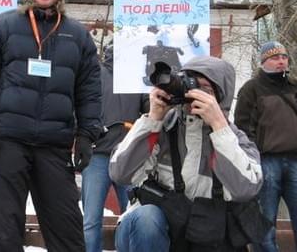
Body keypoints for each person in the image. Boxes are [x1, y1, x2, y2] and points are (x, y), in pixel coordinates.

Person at [0, 0, 102, 252]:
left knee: (68, 234)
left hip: (54, 146)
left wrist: (87, 134)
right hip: (6, 144)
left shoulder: (78, 36)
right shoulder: (2, 26)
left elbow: (90, 91)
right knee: (4, 235)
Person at [110, 55, 264, 251]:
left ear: (220, 96)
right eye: (189, 84)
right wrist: (153, 118)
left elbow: (246, 188)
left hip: (206, 236)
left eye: (204, 89)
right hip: (154, 232)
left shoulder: (234, 138)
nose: (193, 93)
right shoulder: (160, 128)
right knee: (146, 218)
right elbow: (119, 173)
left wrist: (218, 125)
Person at [80, 42, 146, 252]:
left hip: (129, 156)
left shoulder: (137, 78)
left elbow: (149, 110)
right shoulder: (94, 74)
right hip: (97, 154)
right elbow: (80, 106)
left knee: (134, 214)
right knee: (91, 219)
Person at [234, 41, 297, 252]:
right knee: (265, 224)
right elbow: (242, 127)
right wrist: (255, 156)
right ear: (263, 62)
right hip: (267, 162)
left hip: (295, 161)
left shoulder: (294, 86)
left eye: (283, 57)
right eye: (274, 58)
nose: (281, 61)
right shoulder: (251, 89)